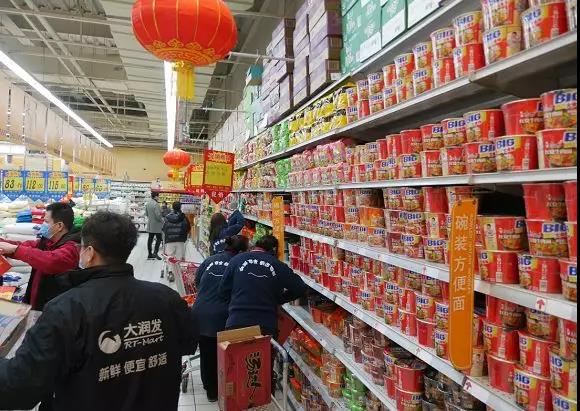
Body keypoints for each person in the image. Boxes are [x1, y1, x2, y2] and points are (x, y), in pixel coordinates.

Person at [0, 211, 198, 411]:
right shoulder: (167, 298)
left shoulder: (66, 309)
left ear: (89, 252)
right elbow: (189, 344)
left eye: (81, 248)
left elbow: (20, 388)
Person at [193, 235, 249, 402]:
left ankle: (210, 390)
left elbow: (197, 281)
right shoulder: (239, 265)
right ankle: (224, 386)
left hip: (201, 311)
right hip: (222, 314)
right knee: (223, 353)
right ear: (241, 251)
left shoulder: (210, 260)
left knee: (207, 353)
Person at [219, 235, 307, 337]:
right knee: (262, 348)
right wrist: (280, 299)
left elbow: (223, 290)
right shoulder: (277, 264)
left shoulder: (236, 260)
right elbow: (300, 287)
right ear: (274, 249)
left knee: (237, 347)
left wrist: (238, 298)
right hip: (265, 324)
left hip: (236, 321)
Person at [0, 202, 80, 311]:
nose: (42, 224)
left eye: (46, 221)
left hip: (54, 310)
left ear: (59, 226)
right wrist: (5, 244)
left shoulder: (72, 247)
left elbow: (51, 261)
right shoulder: (47, 242)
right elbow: (24, 246)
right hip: (39, 303)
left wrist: (16, 249)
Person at [163, 202, 191, 281]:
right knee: (178, 257)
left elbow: (164, 228)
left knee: (170, 257)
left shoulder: (167, 217)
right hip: (180, 240)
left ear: (172, 207)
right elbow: (188, 228)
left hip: (169, 240)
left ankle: (171, 273)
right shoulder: (184, 217)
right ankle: (177, 272)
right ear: (180, 207)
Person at [145, 192, 164, 260]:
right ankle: (155, 253)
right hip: (157, 225)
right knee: (159, 238)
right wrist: (162, 220)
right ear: (156, 196)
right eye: (158, 196)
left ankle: (150, 254)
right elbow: (158, 216)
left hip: (150, 224)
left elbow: (146, 214)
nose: (158, 198)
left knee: (150, 239)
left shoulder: (148, 203)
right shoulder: (156, 204)